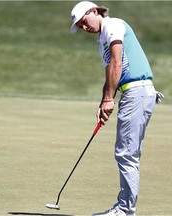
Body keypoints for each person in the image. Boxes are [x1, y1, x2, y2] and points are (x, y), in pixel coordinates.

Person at [69, 1, 164, 216]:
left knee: (126, 153)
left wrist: (110, 99)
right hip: (131, 93)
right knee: (126, 152)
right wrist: (104, 101)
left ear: (94, 11)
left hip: (137, 92)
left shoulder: (113, 26)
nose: (85, 28)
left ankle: (125, 210)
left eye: (84, 22)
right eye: (81, 26)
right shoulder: (102, 39)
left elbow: (117, 63)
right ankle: (125, 208)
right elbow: (110, 74)